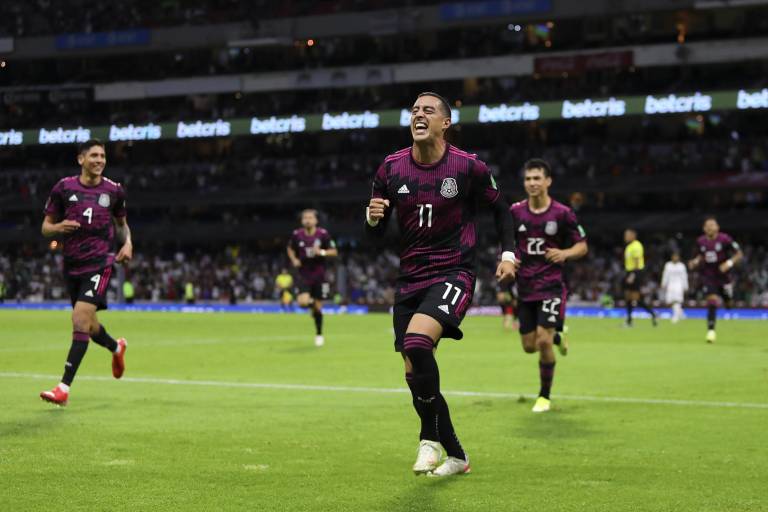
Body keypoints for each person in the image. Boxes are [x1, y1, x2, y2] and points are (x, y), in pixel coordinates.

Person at [366, 92, 516, 477]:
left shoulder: (468, 167)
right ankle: (457, 455)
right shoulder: (390, 168)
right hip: (410, 278)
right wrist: (372, 219)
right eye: (414, 110)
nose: (418, 114)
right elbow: (377, 234)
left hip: (454, 272)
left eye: (428, 110)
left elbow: (501, 208)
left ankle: (427, 439)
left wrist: (508, 254)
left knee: (417, 344)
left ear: (445, 123)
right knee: (414, 372)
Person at [39, 139, 132, 406]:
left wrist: (128, 243)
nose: (100, 160)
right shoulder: (64, 187)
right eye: (94, 155)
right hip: (72, 265)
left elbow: (122, 225)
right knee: (88, 326)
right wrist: (59, 228)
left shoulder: (114, 190)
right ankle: (117, 347)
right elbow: (46, 228)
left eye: (102, 156)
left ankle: (63, 388)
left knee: (79, 319)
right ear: (81, 159)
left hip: (100, 263)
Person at [509, 158, 588, 413]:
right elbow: (508, 244)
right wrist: (509, 261)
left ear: (548, 181)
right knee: (529, 346)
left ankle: (544, 396)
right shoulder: (515, 212)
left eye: (537, 178)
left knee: (542, 343)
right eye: (528, 179)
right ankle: (557, 334)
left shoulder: (563, 213)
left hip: (552, 286)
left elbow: (582, 245)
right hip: (525, 288)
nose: (532, 183)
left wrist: (565, 253)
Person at [287, 209, 338, 346]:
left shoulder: (323, 234)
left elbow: (334, 251)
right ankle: (310, 306)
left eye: (310, 217)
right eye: (305, 218)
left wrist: (321, 252)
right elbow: (290, 248)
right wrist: (294, 259)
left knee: (318, 308)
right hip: (304, 275)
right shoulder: (297, 235)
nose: (307, 220)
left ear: (316, 220)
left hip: (319, 276)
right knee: (302, 302)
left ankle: (319, 334)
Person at [688, 216, 743, 343]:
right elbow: (697, 256)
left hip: (724, 276)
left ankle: (728, 300)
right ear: (704, 228)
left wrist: (728, 263)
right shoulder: (700, 241)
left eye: (712, 225)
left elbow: (739, 254)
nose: (710, 227)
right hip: (708, 275)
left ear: (717, 227)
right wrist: (694, 262)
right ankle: (711, 331)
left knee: (728, 304)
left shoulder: (725, 239)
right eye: (707, 226)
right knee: (712, 301)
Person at [623, 228, 658, 327]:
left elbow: (637, 262)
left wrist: (633, 275)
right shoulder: (629, 246)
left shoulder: (636, 246)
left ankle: (653, 314)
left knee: (635, 298)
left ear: (633, 235)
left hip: (635, 272)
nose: (625, 237)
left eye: (627, 235)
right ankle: (629, 321)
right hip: (629, 271)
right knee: (628, 297)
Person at [661, 252, 688, 323]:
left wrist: (685, 286)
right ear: (672, 257)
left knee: (677, 300)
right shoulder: (668, 265)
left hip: (679, 285)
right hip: (670, 284)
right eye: (674, 256)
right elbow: (665, 275)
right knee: (670, 301)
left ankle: (675, 316)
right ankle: (681, 313)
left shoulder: (681, 266)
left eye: (676, 257)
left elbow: (684, 276)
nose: (675, 258)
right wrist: (663, 283)